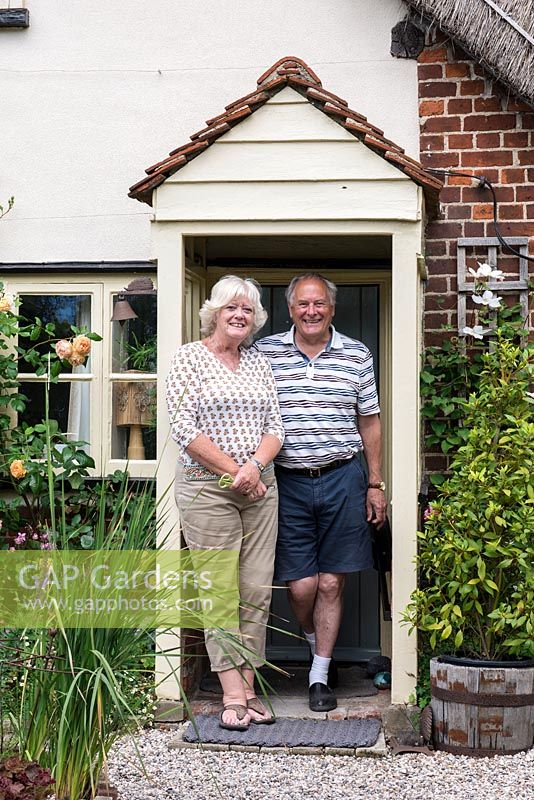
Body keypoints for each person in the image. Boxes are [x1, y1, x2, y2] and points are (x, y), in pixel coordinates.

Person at [256, 273, 387, 712]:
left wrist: (375, 482)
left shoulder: (356, 354)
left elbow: (368, 420)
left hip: (342, 477)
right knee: (301, 586)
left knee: (332, 580)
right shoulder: (265, 353)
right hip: (286, 480)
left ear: (332, 308)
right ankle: (318, 649)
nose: (311, 312)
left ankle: (319, 675)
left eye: (319, 304)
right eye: (302, 304)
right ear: (290, 308)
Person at [166, 275, 285, 731]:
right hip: (206, 489)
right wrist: (235, 472)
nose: (240, 316)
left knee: (255, 591)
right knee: (219, 592)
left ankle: (250, 686)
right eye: (232, 308)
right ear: (214, 311)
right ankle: (232, 694)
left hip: (259, 490)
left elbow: (276, 426)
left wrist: (253, 467)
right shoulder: (190, 359)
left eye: (248, 310)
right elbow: (184, 429)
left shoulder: (259, 362)